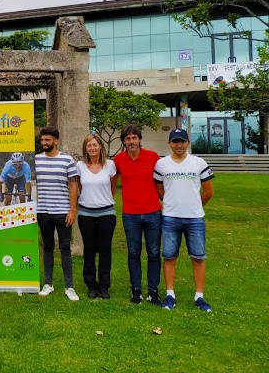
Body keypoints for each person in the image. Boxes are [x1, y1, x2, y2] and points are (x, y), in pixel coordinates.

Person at [154, 129, 215, 311]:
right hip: (170, 218)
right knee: (169, 257)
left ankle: (199, 297)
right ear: (169, 144)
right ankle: (170, 295)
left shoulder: (198, 163)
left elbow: (209, 191)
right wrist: (172, 204)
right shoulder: (161, 164)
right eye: (175, 142)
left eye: (182, 141)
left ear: (188, 143)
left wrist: (196, 206)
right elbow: (159, 190)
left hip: (195, 219)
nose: (179, 145)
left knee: (198, 257)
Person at [113, 124, 162, 305]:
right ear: (124, 142)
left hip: (153, 213)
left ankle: (153, 291)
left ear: (140, 139)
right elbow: (111, 181)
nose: (131, 141)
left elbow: (162, 181)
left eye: (134, 138)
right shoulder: (118, 160)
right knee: (133, 252)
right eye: (128, 138)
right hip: (130, 214)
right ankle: (136, 290)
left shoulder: (153, 157)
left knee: (154, 252)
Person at [34, 127, 80, 301]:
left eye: (48, 140)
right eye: (42, 140)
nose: (44, 143)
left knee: (65, 248)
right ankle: (48, 284)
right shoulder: (36, 160)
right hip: (43, 211)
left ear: (56, 140)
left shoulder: (67, 160)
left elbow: (73, 185)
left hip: (63, 211)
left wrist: (72, 209)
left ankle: (69, 287)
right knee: (47, 247)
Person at [76, 134, 117, 299]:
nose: (92, 148)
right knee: (90, 249)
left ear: (100, 146)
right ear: (85, 149)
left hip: (107, 213)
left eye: (95, 145)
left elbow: (112, 187)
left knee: (105, 250)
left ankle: (104, 285)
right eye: (89, 146)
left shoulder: (110, 165)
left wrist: (103, 200)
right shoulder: (80, 166)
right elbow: (79, 186)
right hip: (86, 213)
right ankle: (91, 284)